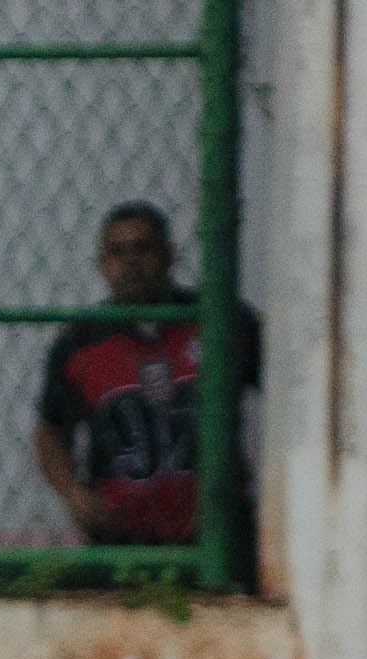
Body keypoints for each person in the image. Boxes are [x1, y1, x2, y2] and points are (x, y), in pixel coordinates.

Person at [32, 200, 259, 551]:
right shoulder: (81, 341)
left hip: (215, 536)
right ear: (103, 265)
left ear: (170, 255)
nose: (130, 263)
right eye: (117, 252)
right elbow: (50, 431)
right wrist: (74, 494)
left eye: (143, 248)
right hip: (120, 539)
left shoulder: (220, 321)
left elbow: (287, 394)